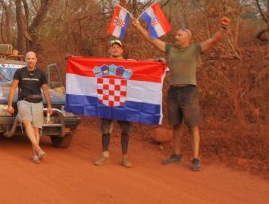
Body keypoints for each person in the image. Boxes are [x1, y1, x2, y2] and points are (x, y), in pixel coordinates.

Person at [133, 15, 231, 171]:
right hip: (173, 91)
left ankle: (195, 158)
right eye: (176, 34)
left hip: (189, 91)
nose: (176, 36)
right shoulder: (170, 49)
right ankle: (176, 154)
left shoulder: (195, 49)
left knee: (192, 125)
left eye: (179, 34)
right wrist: (138, 27)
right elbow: (151, 40)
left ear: (188, 37)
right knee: (176, 125)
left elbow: (213, 40)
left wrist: (223, 28)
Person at [93, 39, 135, 168]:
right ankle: (105, 155)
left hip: (123, 101)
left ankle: (125, 156)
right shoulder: (103, 64)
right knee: (105, 128)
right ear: (109, 50)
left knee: (126, 129)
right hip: (107, 100)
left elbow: (146, 65)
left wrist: (157, 61)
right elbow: (87, 64)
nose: (115, 49)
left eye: (118, 47)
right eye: (113, 47)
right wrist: (73, 59)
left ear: (122, 50)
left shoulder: (130, 64)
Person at [7, 51, 53, 164]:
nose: (30, 60)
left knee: (36, 128)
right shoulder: (19, 72)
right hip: (24, 101)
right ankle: (38, 149)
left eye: (32, 58)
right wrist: (9, 105)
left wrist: (50, 106)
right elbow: (13, 88)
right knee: (27, 123)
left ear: (36, 60)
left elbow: (46, 90)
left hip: (37, 102)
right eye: (28, 58)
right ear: (25, 60)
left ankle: (35, 155)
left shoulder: (41, 73)